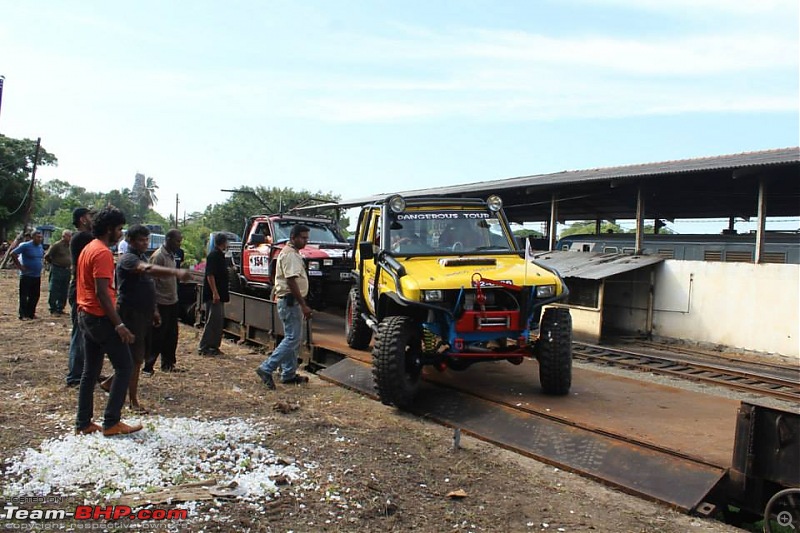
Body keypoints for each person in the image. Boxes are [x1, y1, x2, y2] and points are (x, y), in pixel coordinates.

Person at [103, 225, 190, 412]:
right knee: (135, 359)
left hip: (143, 314)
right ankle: (133, 402)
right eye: (141, 240)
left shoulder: (141, 256)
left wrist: (154, 310)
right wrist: (175, 272)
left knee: (136, 356)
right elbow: (147, 270)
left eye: (146, 239)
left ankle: (111, 383)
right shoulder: (128, 259)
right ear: (131, 241)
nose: (145, 243)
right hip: (131, 314)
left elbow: (149, 287)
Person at [74, 206, 142, 437]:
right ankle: (112, 421)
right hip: (100, 318)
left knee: (89, 372)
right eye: (119, 229)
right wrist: (119, 325)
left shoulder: (88, 249)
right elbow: (102, 293)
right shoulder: (102, 252)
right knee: (125, 366)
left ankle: (83, 422)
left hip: (85, 315)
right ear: (109, 229)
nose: (121, 234)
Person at [256, 224, 312, 390]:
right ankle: (267, 368)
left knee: (292, 337)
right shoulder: (289, 255)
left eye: (307, 238)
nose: (305, 241)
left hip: (290, 301)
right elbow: (291, 280)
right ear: (293, 237)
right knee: (293, 338)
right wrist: (303, 305)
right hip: (291, 301)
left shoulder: (292, 253)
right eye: (303, 237)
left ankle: (288, 373)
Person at [145, 229, 186, 374]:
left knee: (171, 335)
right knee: (157, 336)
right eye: (177, 241)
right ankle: (148, 365)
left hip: (172, 300)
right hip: (161, 302)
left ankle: (168, 364)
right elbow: (152, 282)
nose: (179, 244)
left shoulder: (172, 255)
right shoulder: (158, 256)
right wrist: (154, 307)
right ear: (168, 239)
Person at [66, 208, 95, 387]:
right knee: (80, 333)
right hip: (80, 289)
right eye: (91, 217)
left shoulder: (82, 238)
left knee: (85, 333)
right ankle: (75, 376)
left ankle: (83, 372)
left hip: (80, 288)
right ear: (84, 219)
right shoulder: (83, 238)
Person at [198, 232, 230, 356]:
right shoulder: (213, 256)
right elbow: (210, 275)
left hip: (220, 293)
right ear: (223, 243)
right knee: (212, 320)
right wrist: (215, 293)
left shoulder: (220, 256)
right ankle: (204, 347)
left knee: (218, 321)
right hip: (214, 294)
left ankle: (214, 346)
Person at [10, 230, 45, 320]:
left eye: (41, 237)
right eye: (38, 237)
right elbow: (13, 254)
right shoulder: (26, 246)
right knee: (24, 295)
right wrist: (20, 267)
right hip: (26, 275)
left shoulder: (40, 246)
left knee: (35, 295)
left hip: (36, 275)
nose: (40, 239)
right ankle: (23, 314)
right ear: (33, 237)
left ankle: (31, 313)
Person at [44, 230, 72, 315]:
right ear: (64, 236)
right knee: (54, 289)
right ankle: (53, 308)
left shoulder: (70, 246)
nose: (70, 238)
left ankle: (60, 308)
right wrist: (54, 264)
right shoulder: (57, 245)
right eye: (69, 236)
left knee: (64, 289)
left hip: (67, 270)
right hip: (57, 269)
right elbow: (47, 256)